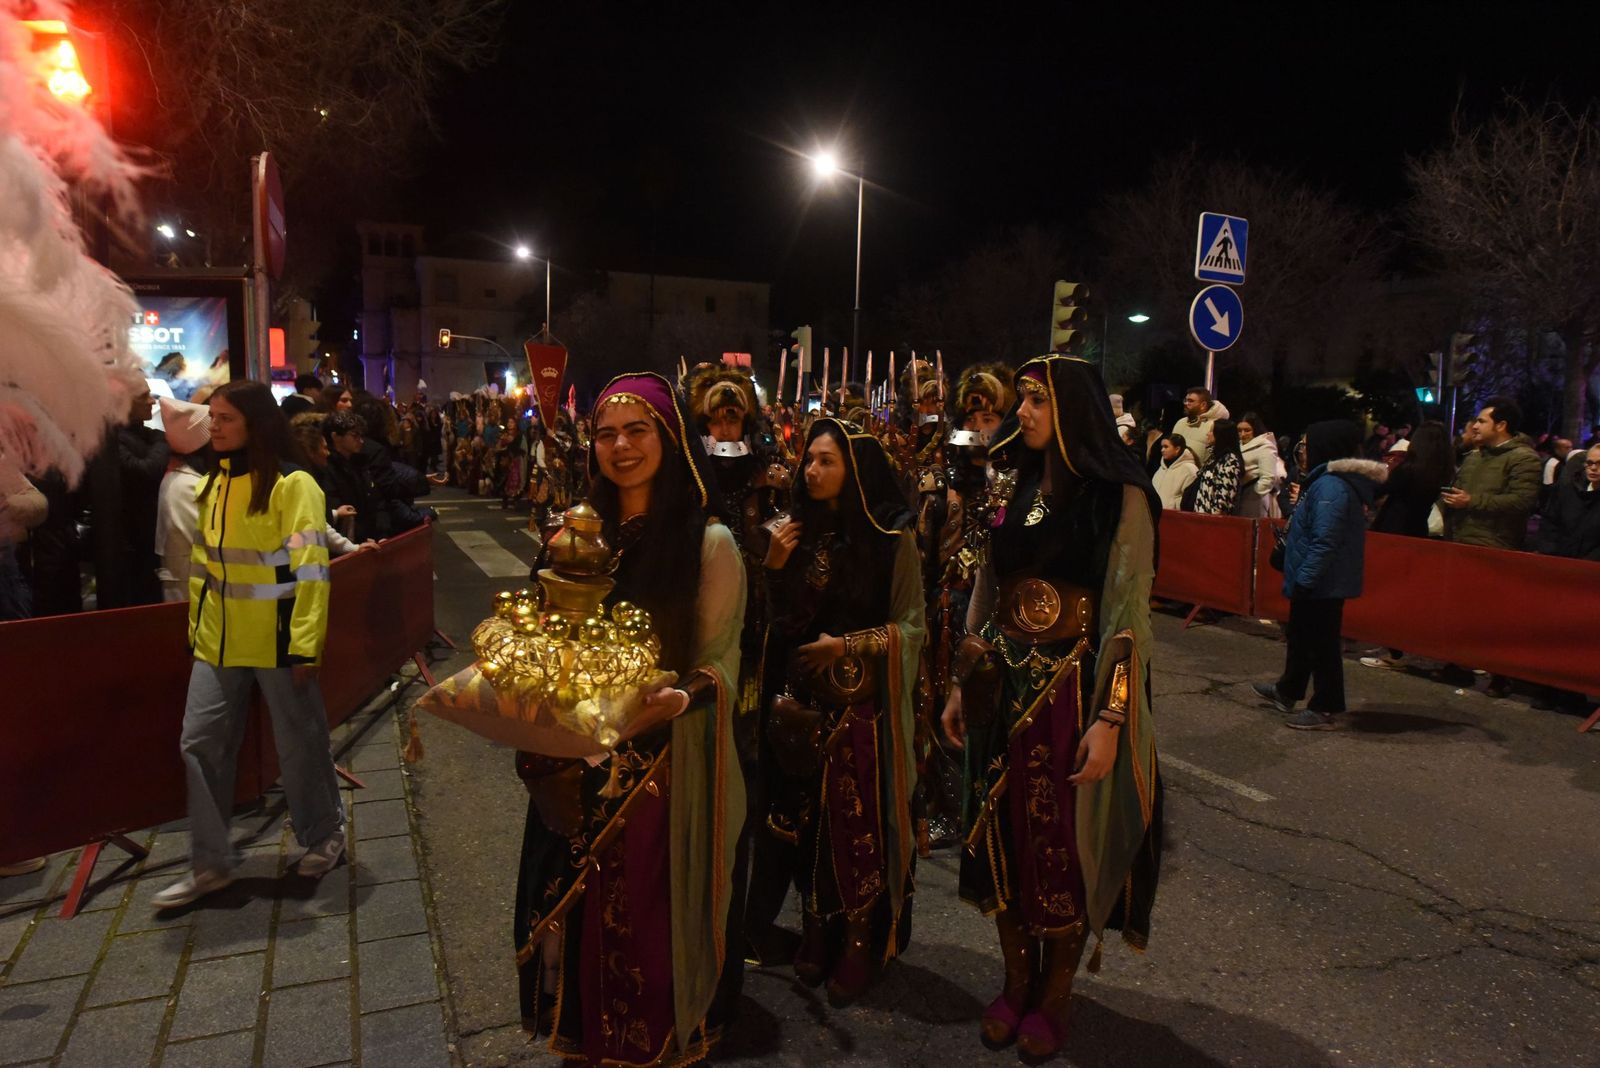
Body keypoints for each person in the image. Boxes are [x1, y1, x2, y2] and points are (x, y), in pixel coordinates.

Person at [512, 373, 746, 1067]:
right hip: (570, 760)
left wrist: (684, 696)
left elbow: (722, 661)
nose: (620, 446)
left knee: (642, 930)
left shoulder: (710, 543)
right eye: (607, 433)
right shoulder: (576, 536)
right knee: (570, 927)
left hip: (657, 774)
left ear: (669, 439)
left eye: (637, 430)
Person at [942, 356, 1162, 1060]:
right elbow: (986, 584)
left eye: (1036, 401)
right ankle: (1014, 980)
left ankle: (1056, 991)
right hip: (998, 686)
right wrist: (959, 677)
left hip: (1070, 692)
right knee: (1000, 832)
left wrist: (1112, 718)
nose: (1022, 412)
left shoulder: (1120, 498)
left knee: (1062, 846)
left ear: (1072, 409)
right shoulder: (1013, 484)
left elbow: (1129, 620)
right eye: (1024, 400)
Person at [153, 380, 345, 908]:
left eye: (224, 418)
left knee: (299, 743)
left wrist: (306, 644)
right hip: (217, 643)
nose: (212, 426)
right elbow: (203, 571)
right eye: (211, 417)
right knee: (199, 742)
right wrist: (198, 632)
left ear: (255, 424)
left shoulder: (292, 485)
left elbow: (312, 572)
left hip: (280, 643)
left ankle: (324, 834)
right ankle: (212, 864)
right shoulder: (212, 483)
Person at [761, 416, 923, 1005]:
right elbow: (779, 628)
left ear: (855, 470)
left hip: (861, 707)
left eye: (827, 461)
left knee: (856, 826)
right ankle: (816, 927)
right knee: (804, 826)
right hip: (803, 707)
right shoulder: (794, 533)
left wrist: (848, 646)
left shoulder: (892, 537)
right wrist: (774, 567)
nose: (813, 470)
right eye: (810, 460)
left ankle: (858, 938)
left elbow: (912, 627)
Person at [1253, 420, 1388, 730]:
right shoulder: (1325, 481)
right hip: (1315, 579)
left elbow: (1325, 540)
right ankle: (1288, 690)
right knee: (1301, 638)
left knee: (1322, 645)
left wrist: (1306, 578)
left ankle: (1326, 705)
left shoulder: (1332, 486)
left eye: (1305, 446)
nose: (1301, 452)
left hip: (1322, 582)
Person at [1442, 397, 1541, 550]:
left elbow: (1522, 501)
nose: (1474, 426)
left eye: (1482, 422)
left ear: (1501, 425)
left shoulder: (1524, 458)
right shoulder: (1474, 456)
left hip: (1493, 545)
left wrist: (1471, 501)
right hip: (1457, 539)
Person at [1538, 442, 1600, 561]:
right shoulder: (1569, 490)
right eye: (1590, 463)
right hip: (1561, 561)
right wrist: (1550, 552)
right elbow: (1550, 522)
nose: (1593, 468)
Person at [1235, 412, 1283, 518]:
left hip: (1254, 498)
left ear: (1255, 429)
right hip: (1240, 495)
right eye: (1239, 430)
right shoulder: (1238, 445)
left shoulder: (1265, 446)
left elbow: (1269, 476)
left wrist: (1256, 493)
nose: (1242, 434)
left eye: (1247, 430)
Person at [1191, 418, 1243, 515]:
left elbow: (1224, 498)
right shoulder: (1213, 458)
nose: (1208, 434)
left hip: (1213, 522)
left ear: (1220, 435)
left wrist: (1214, 520)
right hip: (1200, 516)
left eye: (1211, 431)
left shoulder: (1230, 461)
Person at [1169, 385, 1230, 467]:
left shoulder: (1214, 426)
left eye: (1190, 401)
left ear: (1203, 405)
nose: (1186, 403)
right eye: (1185, 400)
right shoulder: (1180, 423)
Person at [1151, 433, 1199, 510]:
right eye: (1162, 447)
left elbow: (1189, 500)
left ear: (1177, 449)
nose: (1162, 450)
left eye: (1166, 447)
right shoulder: (1161, 469)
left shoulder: (1189, 470)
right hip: (1157, 516)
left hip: (1175, 518)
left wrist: (1173, 506)